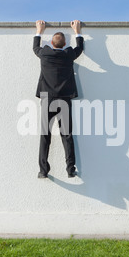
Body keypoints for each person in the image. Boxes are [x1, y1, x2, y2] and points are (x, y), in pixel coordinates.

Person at [33, 20, 84, 179]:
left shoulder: (44, 54)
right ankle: (70, 169)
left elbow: (35, 47)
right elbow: (79, 48)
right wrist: (77, 31)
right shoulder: (68, 55)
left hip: (47, 99)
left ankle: (43, 171)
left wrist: (39, 31)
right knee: (67, 135)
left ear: (52, 44)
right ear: (64, 45)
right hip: (64, 100)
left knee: (45, 135)